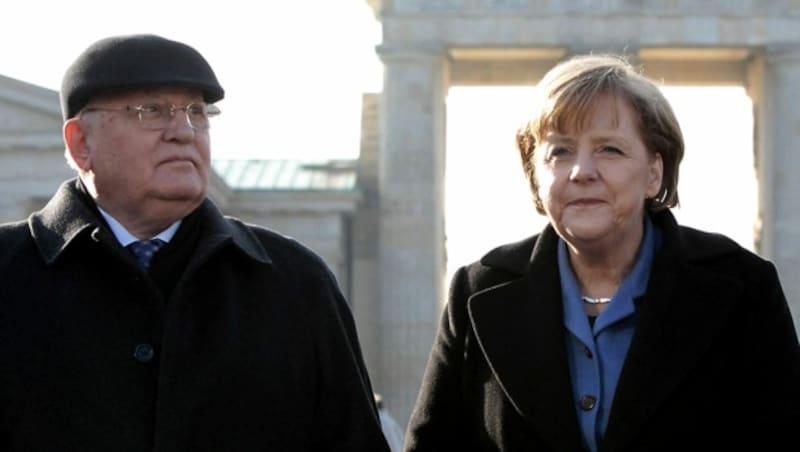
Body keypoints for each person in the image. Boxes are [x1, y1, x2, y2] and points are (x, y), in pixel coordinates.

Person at [0, 33, 389, 451]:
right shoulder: (8, 271)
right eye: (150, 111)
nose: (184, 131)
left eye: (196, 112)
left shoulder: (294, 281)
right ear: (81, 143)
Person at [404, 54, 800, 452]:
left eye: (609, 149)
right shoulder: (476, 291)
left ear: (653, 173)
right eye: (560, 152)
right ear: (535, 175)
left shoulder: (743, 288)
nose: (582, 171)